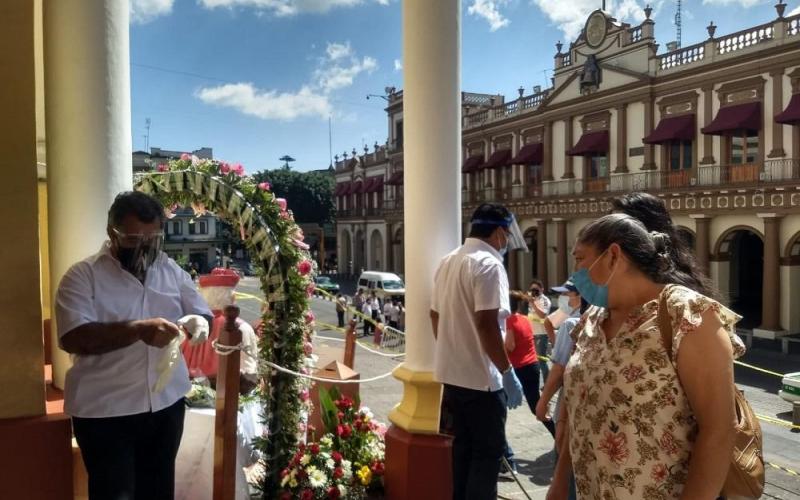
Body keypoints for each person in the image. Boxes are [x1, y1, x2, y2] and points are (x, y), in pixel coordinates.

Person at [548, 213, 744, 500]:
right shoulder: (591, 319)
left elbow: (719, 430)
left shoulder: (685, 315)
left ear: (613, 255)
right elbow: (581, 412)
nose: (575, 271)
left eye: (580, 258)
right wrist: (559, 483)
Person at [55, 191, 213, 500]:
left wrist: (198, 320)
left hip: (165, 406)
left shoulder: (170, 270)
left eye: (152, 240)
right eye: (131, 239)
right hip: (105, 411)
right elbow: (74, 337)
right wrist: (138, 330)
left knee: (158, 490)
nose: (142, 248)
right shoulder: (82, 276)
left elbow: (200, 309)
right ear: (111, 233)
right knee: (115, 494)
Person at [431, 203, 527, 500]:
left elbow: (434, 315)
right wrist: (508, 372)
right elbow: (486, 323)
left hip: (453, 377)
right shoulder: (489, 264)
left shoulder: (448, 261)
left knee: (461, 454)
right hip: (483, 382)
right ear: (499, 232)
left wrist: (454, 350)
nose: (507, 242)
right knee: (486, 459)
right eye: (507, 235)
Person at [181, 268, 259, 392]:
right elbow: (249, 374)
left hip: (184, 392)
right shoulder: (241, 327)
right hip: (226, 394)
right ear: (233, 298)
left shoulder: (189, 324)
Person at [505, 295, 556, 438]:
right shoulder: (525, 319)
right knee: (536, 405)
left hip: (519, 368)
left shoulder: (509, 320)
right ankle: (556, 432)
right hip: (532, 364)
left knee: (499, 403)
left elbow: (510, 345)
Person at [526, 278, 552, 382]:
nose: (534, 292)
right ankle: (535, 381)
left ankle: (547, 382)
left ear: (542, 289)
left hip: (541, 334)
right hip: (531, 333)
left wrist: (533, 304)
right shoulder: (532, 299)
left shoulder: (544, 300)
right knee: (533, 360)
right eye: (532, 290)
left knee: (541, 360)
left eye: (536, 290)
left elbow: (543, 315)